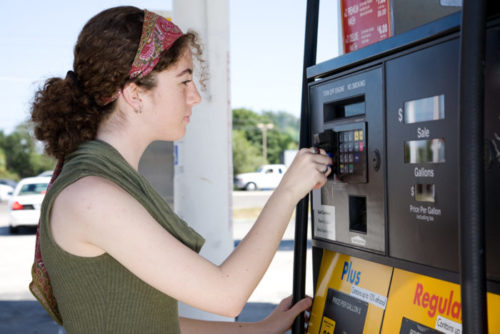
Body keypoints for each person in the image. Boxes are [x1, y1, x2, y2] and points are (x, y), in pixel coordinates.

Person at [29, 6, 332, 334]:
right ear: (135, 94)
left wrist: (259, 329)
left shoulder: (108, 181)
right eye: (184, 81)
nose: (195, 97)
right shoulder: (93, 196)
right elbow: (227, 294)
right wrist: (288, 192)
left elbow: (150, 322)